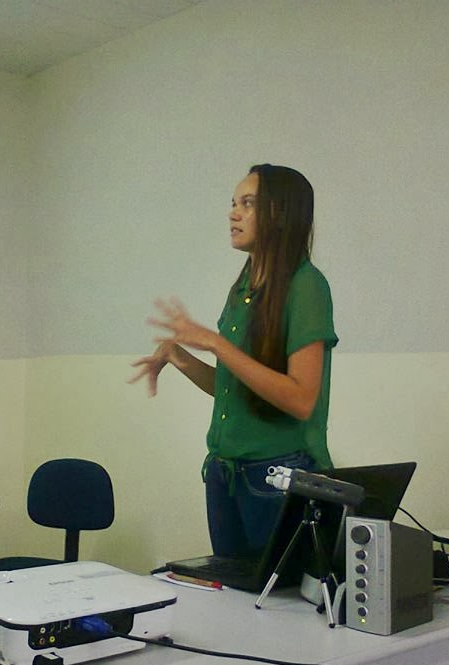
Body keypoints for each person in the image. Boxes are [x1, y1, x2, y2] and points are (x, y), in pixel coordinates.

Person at [129, 164, 338, 558]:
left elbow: (301, 400)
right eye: (233, 203)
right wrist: (178, 356)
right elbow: (234, 389)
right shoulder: (244, 288)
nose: (233, 213)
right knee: (232, 593)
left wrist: (214, 343)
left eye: (248, 204)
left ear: (280, 214)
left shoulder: (307, 285)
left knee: (279, 594)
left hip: (278, 475)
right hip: (225, 475)